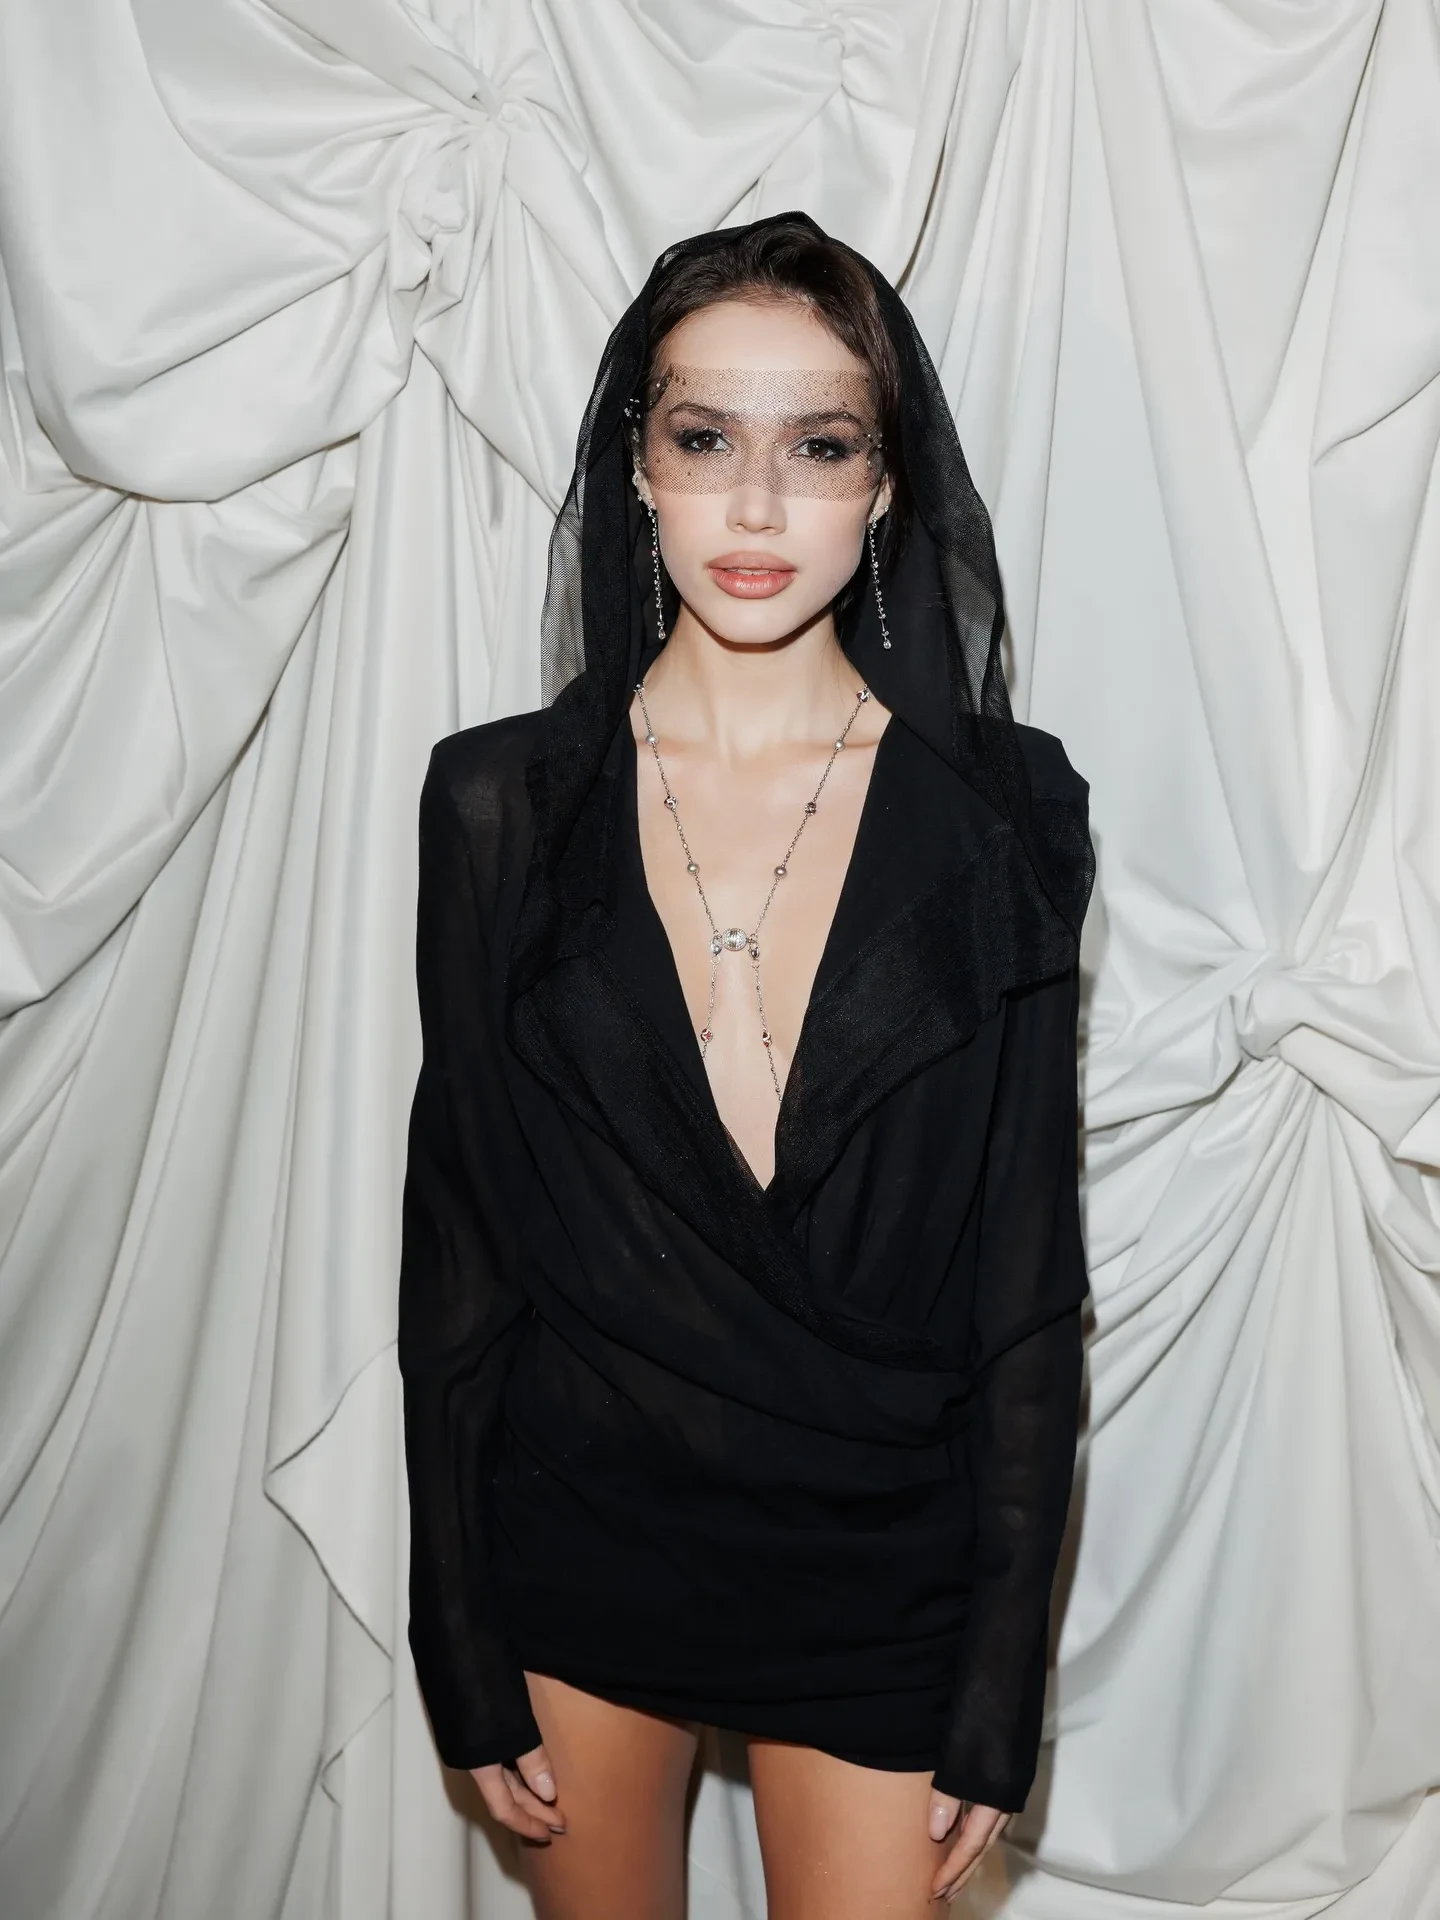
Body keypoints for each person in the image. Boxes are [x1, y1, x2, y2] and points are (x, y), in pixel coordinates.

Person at [398, 211, 1094, 1919]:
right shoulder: (498, 803)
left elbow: (1025, 1281)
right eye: (707, 439)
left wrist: (1001, 1678)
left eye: (821, 446)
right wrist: (456, 1627)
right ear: (638, 469)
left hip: (882, 1556)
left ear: (888, 483)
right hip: (582, 1536)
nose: (760, 507)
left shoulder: (1009, 811)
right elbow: (462, 1239)